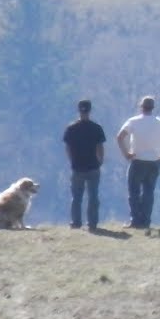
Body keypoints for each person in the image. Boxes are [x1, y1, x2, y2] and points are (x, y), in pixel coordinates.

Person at [116, 95, 160, 231]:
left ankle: (135, 220)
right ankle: (146, 221)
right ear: (153, 108)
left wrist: (126, 153)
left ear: (141, 107)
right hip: (154, 161)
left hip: (137, 160)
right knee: (149, 192)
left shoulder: (133, 121)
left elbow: (120, 137)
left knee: (134, 192)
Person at [62, 98, 107, 230]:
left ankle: (76, 222)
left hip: (77, 167)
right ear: (90, 110)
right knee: (93, 196)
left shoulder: (71, 128)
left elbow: (68, 147)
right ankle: (92, 223)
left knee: (76, 197)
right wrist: (100, 160)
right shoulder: (96, 128)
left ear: (78, 110)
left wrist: (72, 160)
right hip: (93, 166)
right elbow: (100, 147)